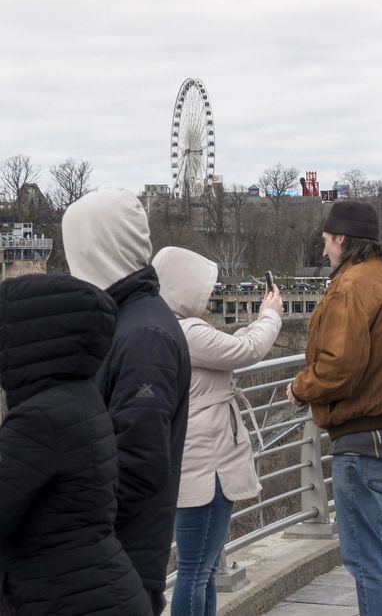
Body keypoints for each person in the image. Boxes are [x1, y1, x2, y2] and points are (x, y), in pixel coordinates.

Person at [287, 201, 382, 615]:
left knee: (366, 561)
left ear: (343, 239)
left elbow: (338, 367)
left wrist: (300, 389)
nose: (325, 250)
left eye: (327, 241)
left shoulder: (351, 286)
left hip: (364, 441)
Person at [61, 188, 191, 614]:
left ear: (97, 249)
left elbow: (138, 460)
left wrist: (63, 521)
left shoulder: (143, 337)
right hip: (113, 558)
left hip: (116, 564)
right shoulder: (132, 320)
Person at [0, 274, 151, 616]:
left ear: (28, 337)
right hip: (94, 592)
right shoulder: (77, 396)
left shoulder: (40, 418)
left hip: (73, 599)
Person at [153, 247, 283, 616]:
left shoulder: (167, 326)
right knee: (196, 570)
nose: (210, 296)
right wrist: (269, 316)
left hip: (195, 463)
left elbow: (226, 350)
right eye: (204, 288)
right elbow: (246, 350)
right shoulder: (187, 330)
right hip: (206, 468)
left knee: (204, 570)